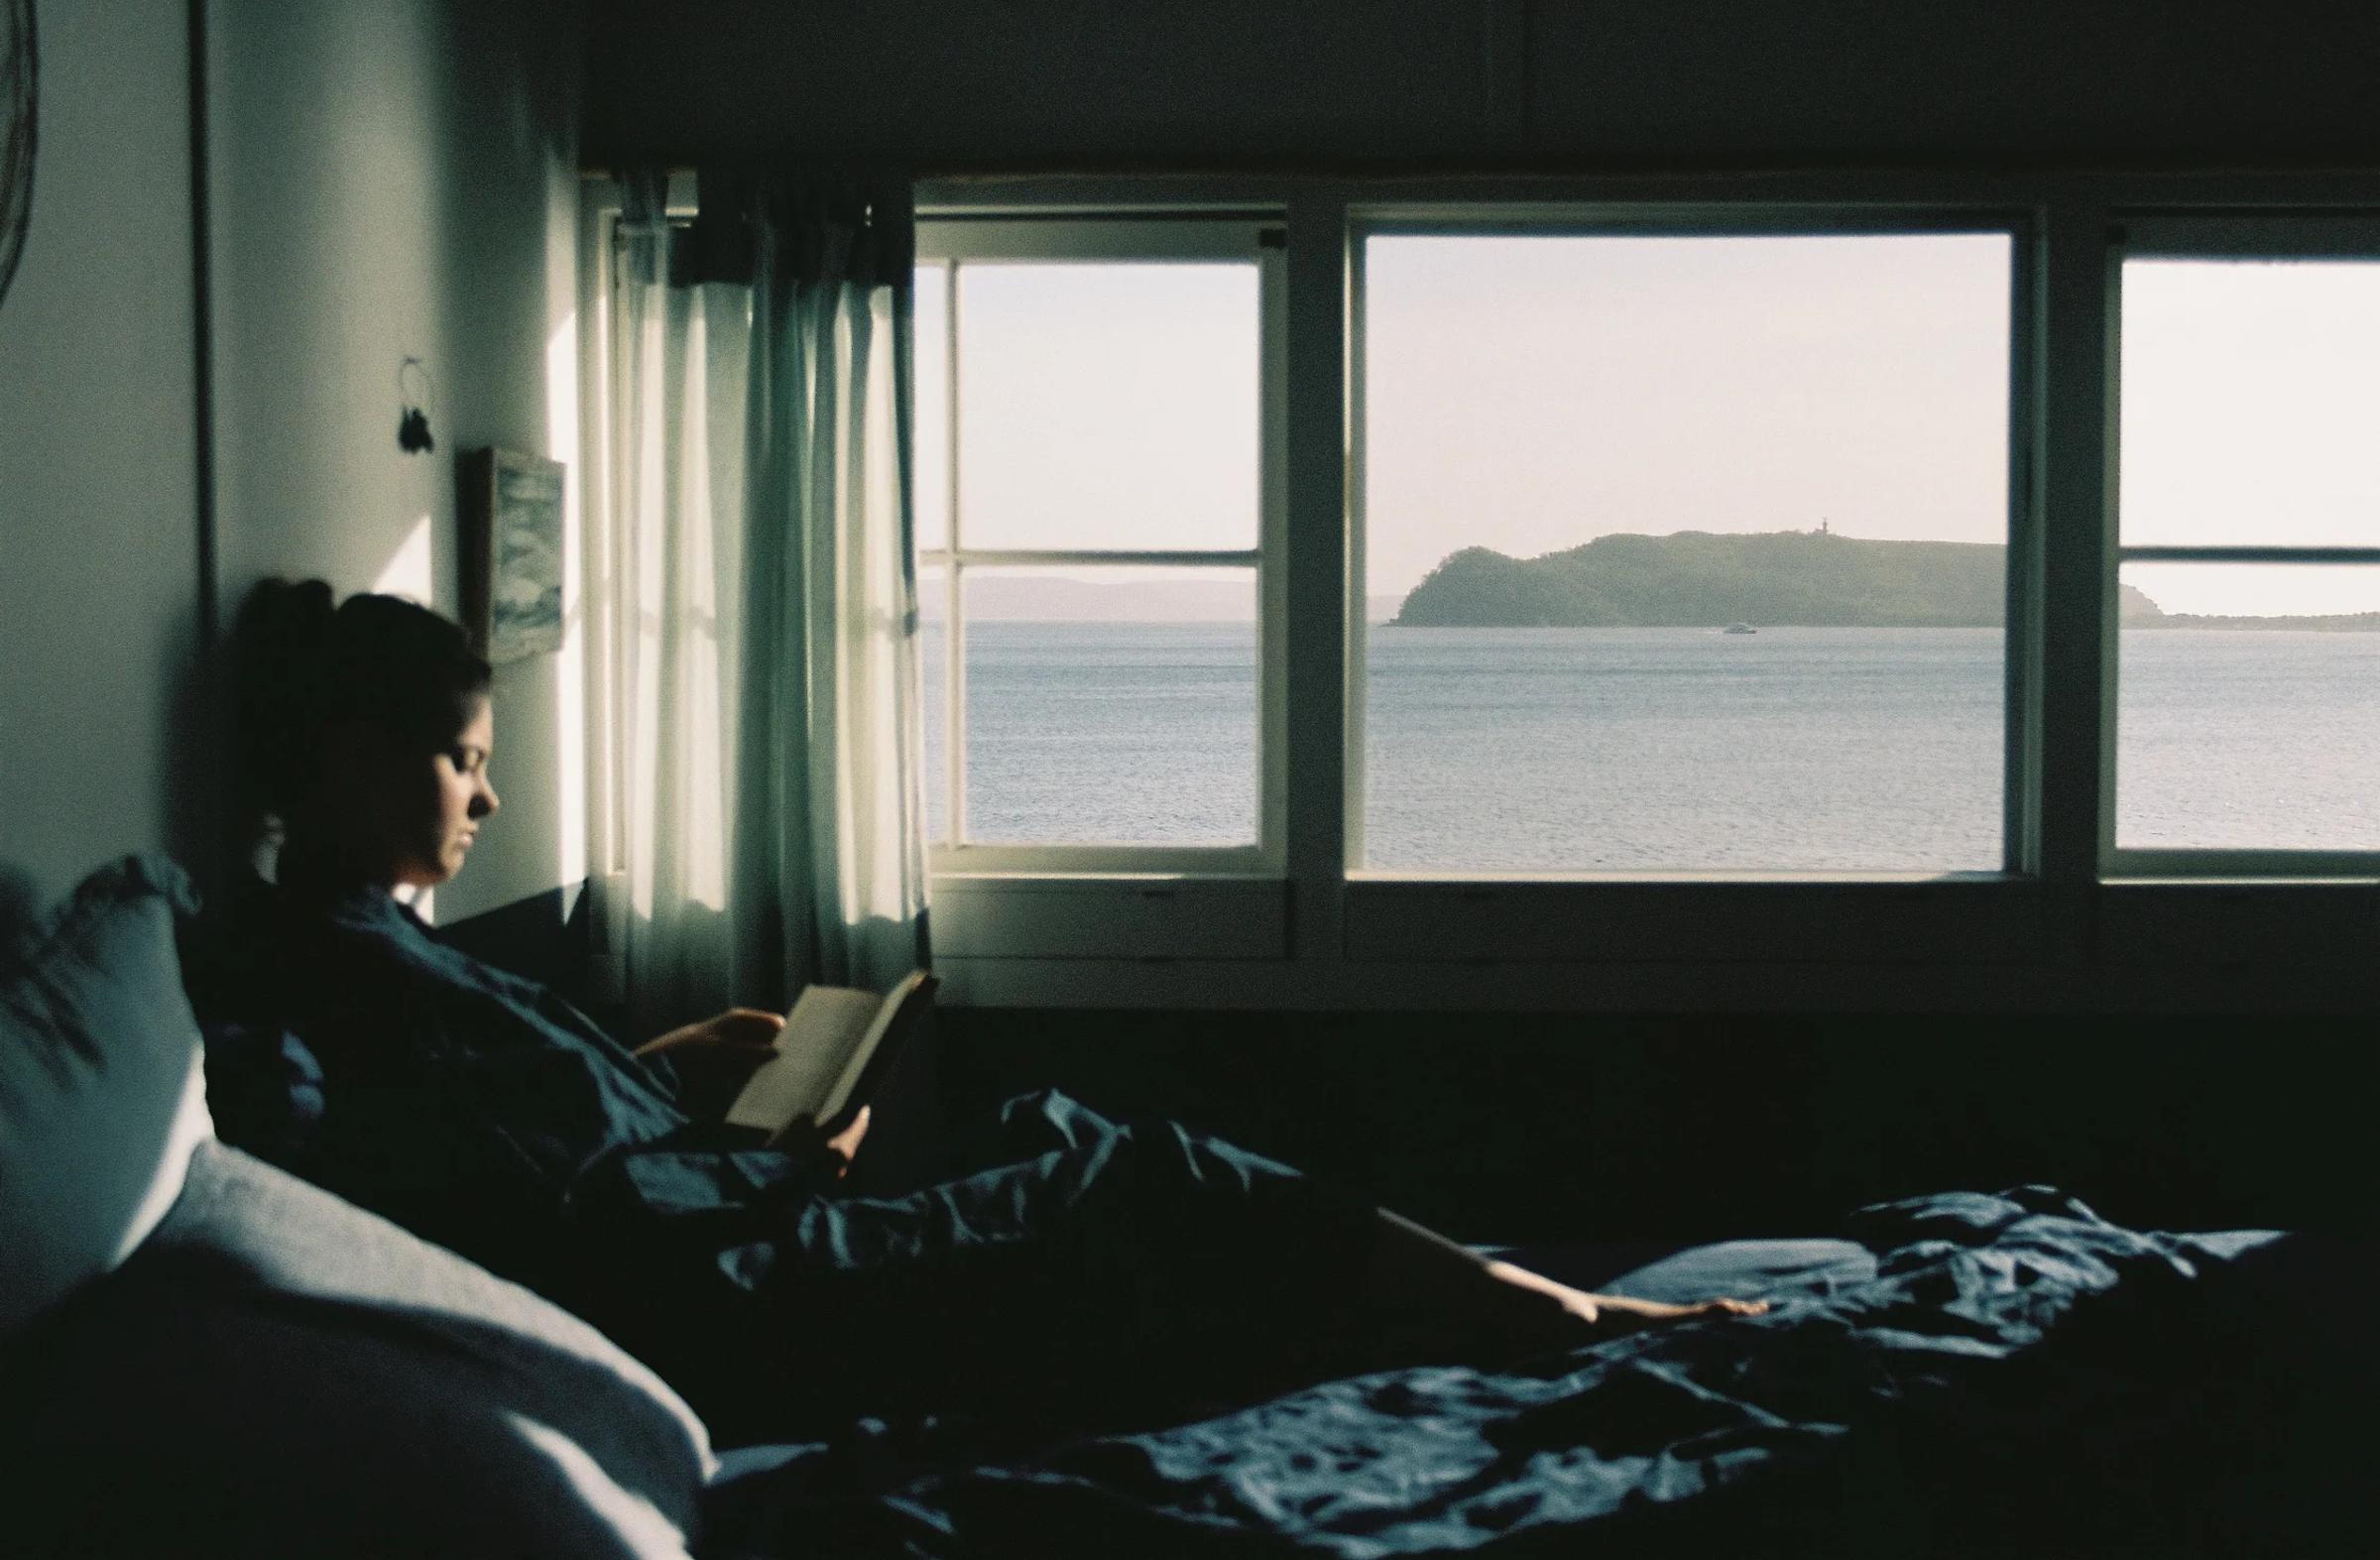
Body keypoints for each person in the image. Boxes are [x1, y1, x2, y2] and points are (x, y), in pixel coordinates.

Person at [194, 579, 1760, 1445]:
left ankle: (1489, 1301)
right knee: (1137, 1172)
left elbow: (525, 1136)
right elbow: (525, 1218)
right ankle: (1547, 1311)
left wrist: (665, 1063)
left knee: (1052, 1134)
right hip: (742, 1293)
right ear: (347, 754)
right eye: (463, 756)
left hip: (732, 1221)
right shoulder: (316, 982)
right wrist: (789, 1162)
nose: (488, 788)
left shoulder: (368, 948)